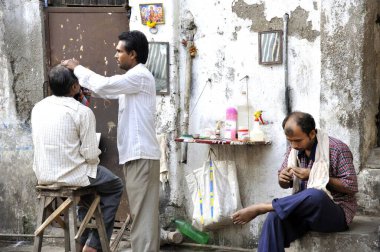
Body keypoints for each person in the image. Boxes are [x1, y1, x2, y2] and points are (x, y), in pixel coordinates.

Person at [62, 30, 161, 252]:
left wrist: (77, 67)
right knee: (141, 215)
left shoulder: (140, 76)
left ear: (133, 54)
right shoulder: (132, 80)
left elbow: (106, 85)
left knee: (143, 218)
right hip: (137, 155)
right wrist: (83, 89)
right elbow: (108, 89)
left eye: (119, 51)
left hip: (141, 155)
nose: (115, 55)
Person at [232, 111, 358, 252]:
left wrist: (314, 176)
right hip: (305, 213)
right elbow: (285, 184)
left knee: (315, 195)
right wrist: (283, 179)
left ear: (311, 134)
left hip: (335, 213)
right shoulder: (293, 150)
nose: (293, 145)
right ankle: (269, 210)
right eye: (289, 140)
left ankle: (263, 207)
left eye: (297, 140)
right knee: (274, 217)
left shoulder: (337, 149)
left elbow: (351, 186)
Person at [31, 65, 124, 252]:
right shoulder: (82, 112)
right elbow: (90, 154)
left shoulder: (38, 107)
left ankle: (81, 240)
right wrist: (92, 161)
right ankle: (94, 244)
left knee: (88, 194)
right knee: (114, 185)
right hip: (73, 176)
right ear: (74, 87)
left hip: (44, 175)